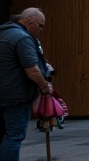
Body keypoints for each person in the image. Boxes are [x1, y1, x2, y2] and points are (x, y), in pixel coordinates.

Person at [0, 9, 51, 161]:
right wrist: (44, 86)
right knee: (14, 136)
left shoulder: (3, 34)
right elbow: (32, 70)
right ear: (30, 23)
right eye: (40, 26)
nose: (41, 30)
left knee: (4, 135)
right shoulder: (22, 38)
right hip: (16, 96)